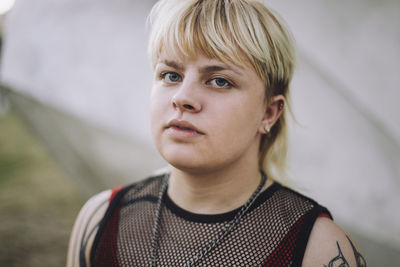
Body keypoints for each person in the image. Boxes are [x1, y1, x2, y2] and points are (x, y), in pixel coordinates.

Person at [67, 0, 367, 266]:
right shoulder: (101, 220)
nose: (182, 98)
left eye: (220, 81)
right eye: (170, 75)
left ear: (269, 113)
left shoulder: (318, 250)